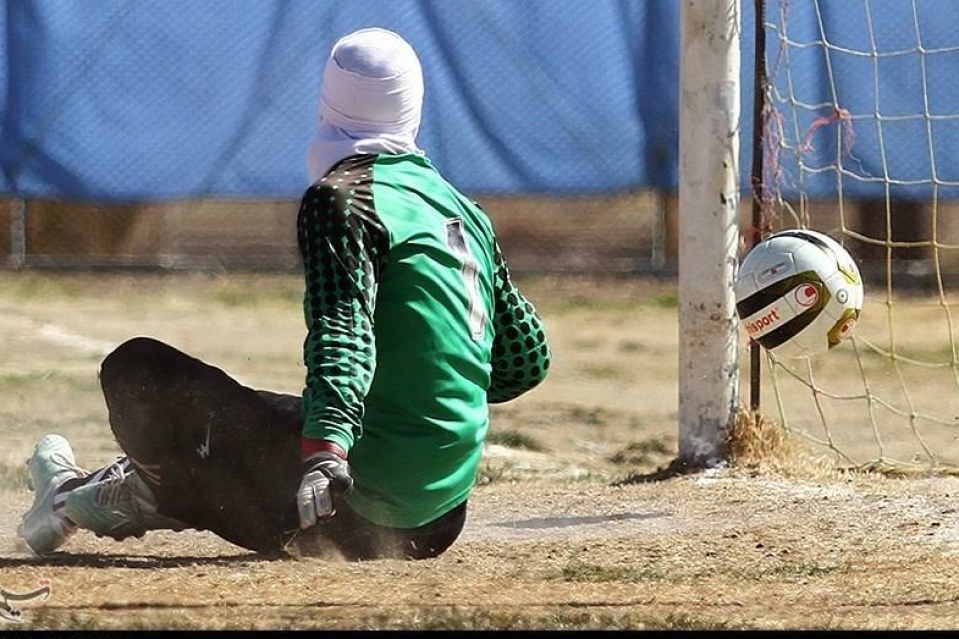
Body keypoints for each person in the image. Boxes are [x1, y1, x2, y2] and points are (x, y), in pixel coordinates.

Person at [17, 27, 551, 561]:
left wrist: (324, 453)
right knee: (267, 412)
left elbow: (343, 333)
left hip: (352, 512)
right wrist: (428, 386)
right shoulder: (457, 205)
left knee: (138, 369)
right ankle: (113, 492)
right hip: (442, 518)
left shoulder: (343, 197)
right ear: (413, 107)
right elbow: (525, 361)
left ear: (328, 102)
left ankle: (94, 496)